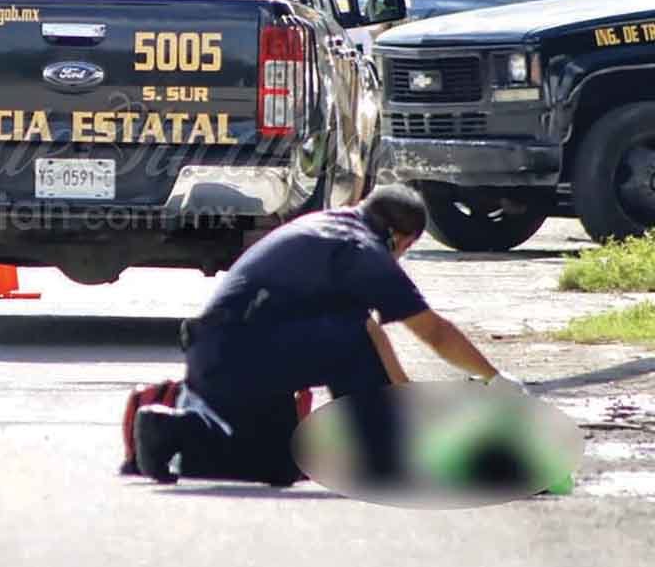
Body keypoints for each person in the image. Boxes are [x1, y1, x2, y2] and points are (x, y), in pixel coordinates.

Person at [134, 185, 527, 485]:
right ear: (404, 238)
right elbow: (433, 332)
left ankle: (172, 429)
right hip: (243, 357)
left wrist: (405, 395)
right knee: (349, 342)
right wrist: (494, 378)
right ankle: (376, 455)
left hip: (221, 357)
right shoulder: (360, 251)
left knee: (281, 466)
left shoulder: (327, 228)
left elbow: (371, 330)